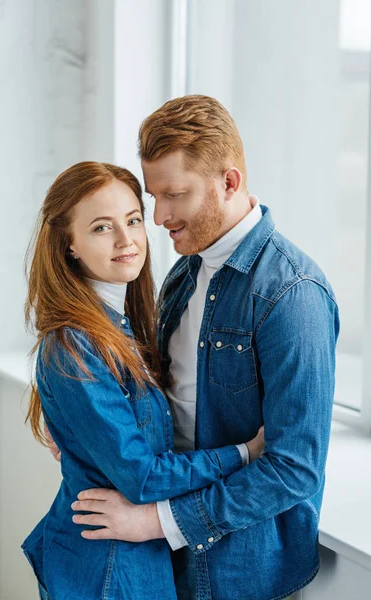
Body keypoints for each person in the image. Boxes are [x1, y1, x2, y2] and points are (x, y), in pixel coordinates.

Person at [66, 96, 340, 600]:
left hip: (242, 571)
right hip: (164, 559)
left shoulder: (292, 293)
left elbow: (294, 469)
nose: (159, 217)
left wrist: (155, 521)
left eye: (174, 195)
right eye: (154, 197)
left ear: (229, 182)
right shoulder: (185, 273)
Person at [21, 160, 265, 600]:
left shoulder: (123, 325)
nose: (126, 239)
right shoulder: (75, 345)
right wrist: (245, 453)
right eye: (101, 228)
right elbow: (142, 475)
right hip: (106, 570)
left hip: (132, 558)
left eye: (133, 220)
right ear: (69, 246)